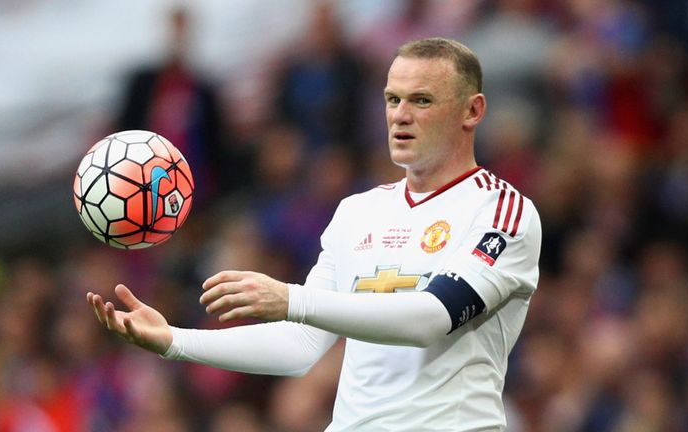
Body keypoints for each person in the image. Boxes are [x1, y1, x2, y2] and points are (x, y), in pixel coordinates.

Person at [87, 38, 542, 432]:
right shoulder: (358, 211)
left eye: (421, 100)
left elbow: (432, 318)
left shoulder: (501, 212)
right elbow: (301, 345)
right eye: (392, 99)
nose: (400, 116)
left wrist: (291, 299)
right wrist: (174, 340)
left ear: (472, 110)